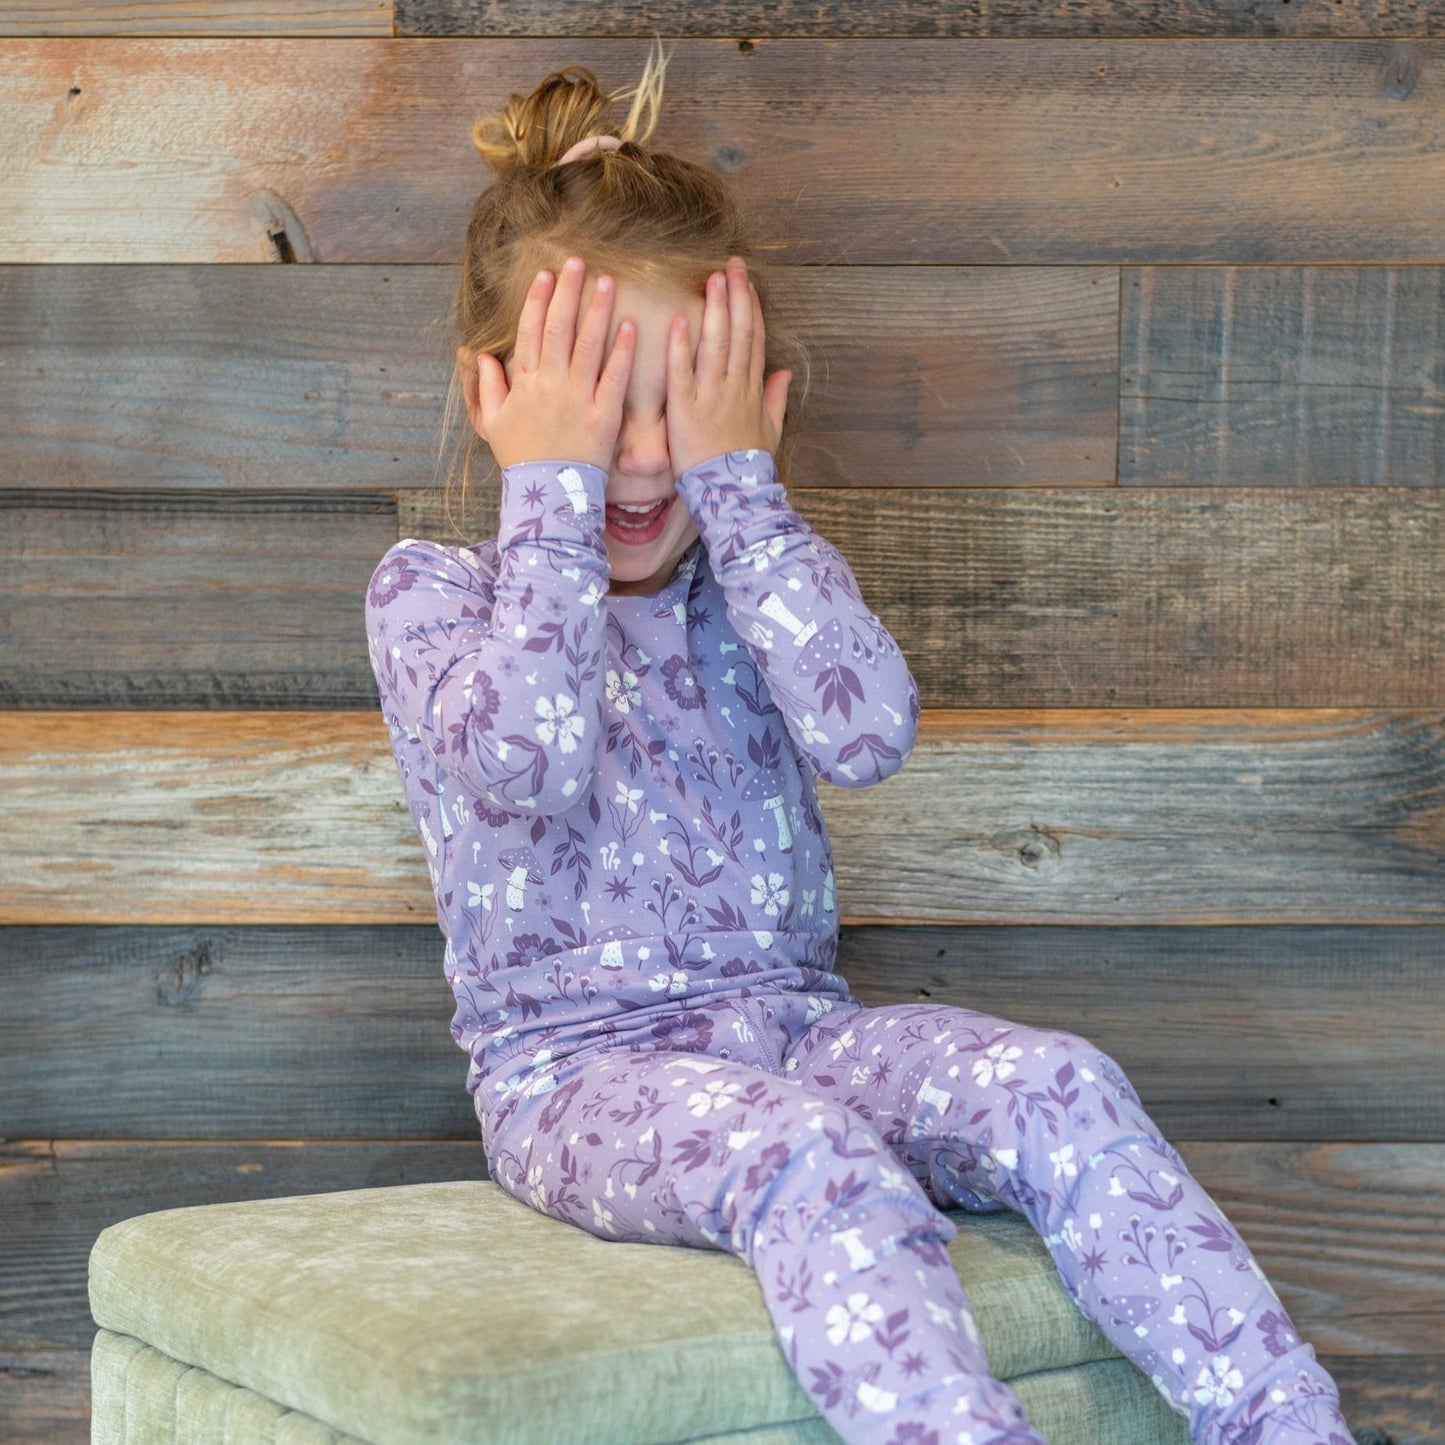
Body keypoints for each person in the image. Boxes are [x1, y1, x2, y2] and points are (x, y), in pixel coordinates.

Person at [363, 41, 1355, 1445]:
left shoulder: (749, 579)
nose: (638, 458)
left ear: (749, 402)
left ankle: (1287, 1428)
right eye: (593, 408)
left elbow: (865, 730)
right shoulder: (435, 594)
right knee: (812, 1157)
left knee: (1054, 1077)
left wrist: (745, 494)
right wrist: (548, 492)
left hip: (799, 1029)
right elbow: (524, 755)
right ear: (492, 399)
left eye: (675, 407)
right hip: (576, 1076)